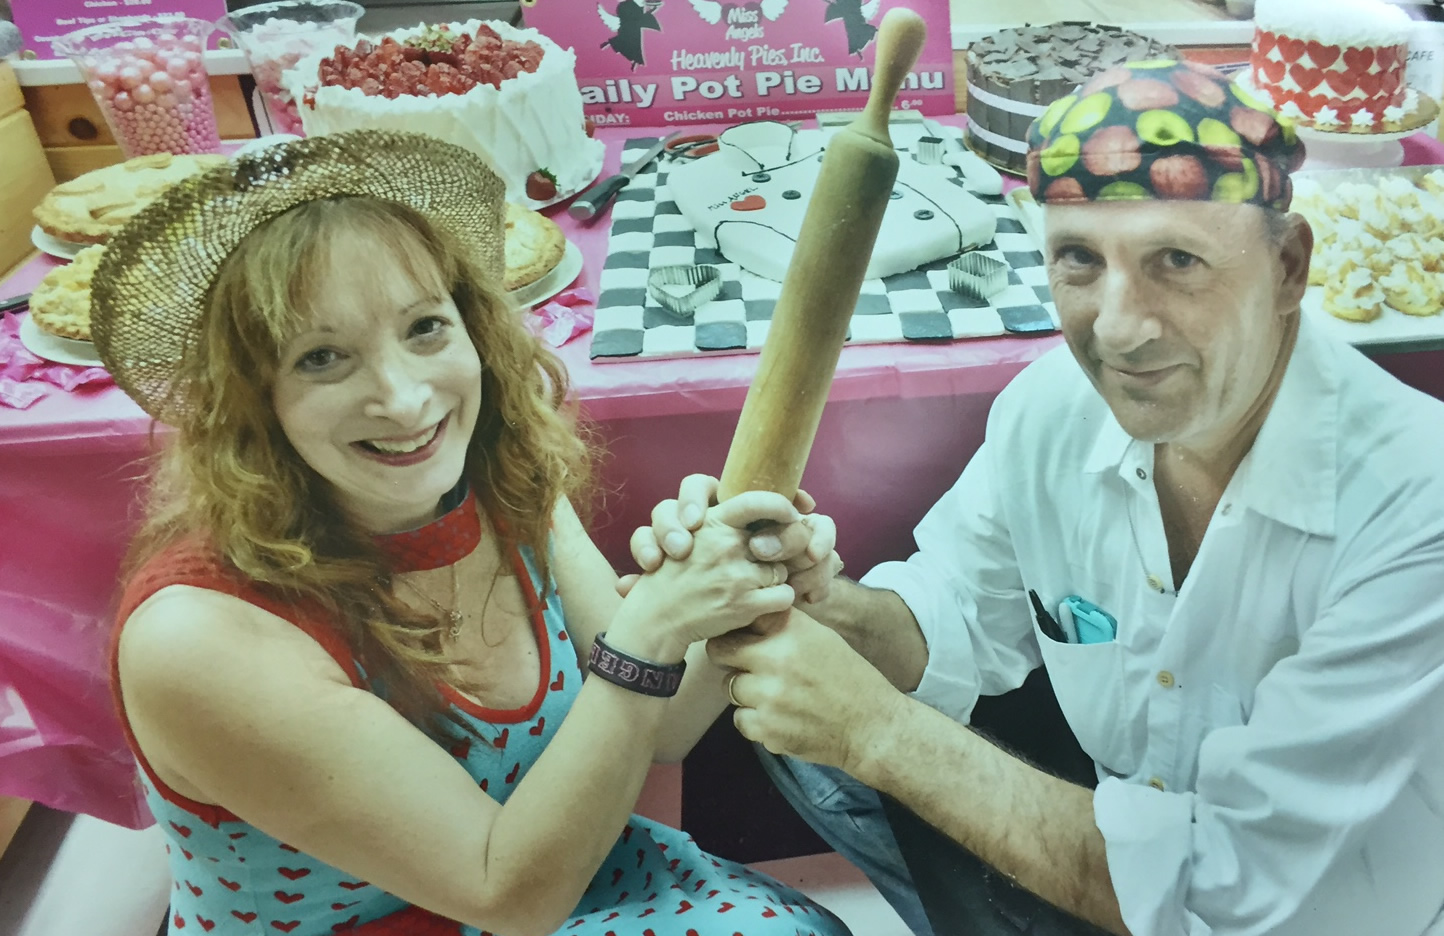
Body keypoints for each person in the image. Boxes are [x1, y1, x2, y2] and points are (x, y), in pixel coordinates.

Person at [630, 61, 1444, 936]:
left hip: (1304, 916)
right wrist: (820, 602)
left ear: (1288, 267)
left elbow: (1233, 890)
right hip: (1143, 840)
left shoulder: (1416, 507)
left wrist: (878, 733)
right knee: (807, 714)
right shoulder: (1054, 408)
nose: (1119, 328)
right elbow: (956, 615)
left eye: (1177, 261)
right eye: (1080, 260)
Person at [92, 131, 850, 936]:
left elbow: (661, 725)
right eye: (321, 357)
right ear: (249, 399)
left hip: (563, 874)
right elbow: (509, 896)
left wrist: (740, 590)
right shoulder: (198, 639)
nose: (404, 399)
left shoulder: (497, 482)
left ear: (477, 328)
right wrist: (653, 629)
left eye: (424, 327)